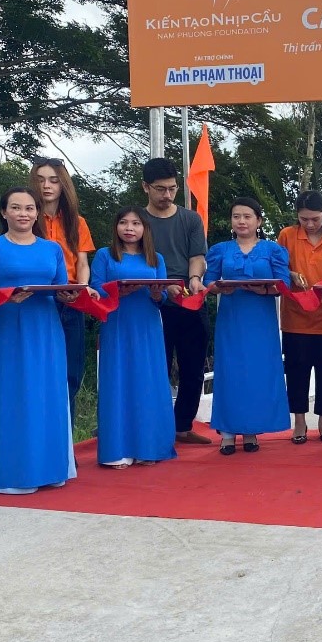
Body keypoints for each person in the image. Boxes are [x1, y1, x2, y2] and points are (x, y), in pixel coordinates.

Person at [0, 186, 79, 494]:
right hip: (11, 326)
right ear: (4, 212)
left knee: (49, 394)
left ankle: (51, 469)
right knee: (16, 394)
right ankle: (16, 473)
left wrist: (71, 293)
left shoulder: (52, 249)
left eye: (30, 208)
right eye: (16, 208)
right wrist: (5, 297)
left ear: (37, 213)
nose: (24, 214)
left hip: (47, 326)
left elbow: (62, 289)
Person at [89, 208, 177, 468]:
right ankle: (117, 450)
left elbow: (162, 296)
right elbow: (95, 291)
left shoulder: (155, 258)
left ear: (145, 229)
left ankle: (149, 446)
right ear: (116, 227)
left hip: (147, 325)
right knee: (117, 380)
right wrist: (120, 293)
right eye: (124, 222)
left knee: (147, 380)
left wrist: (156, 294)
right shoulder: (105, 256)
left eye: (136, 223)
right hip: (117, 323)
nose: (129, 228)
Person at [203, 197, 291, 454]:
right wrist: (218, 288)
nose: (241, 221)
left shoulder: (273, 250)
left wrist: (263, 289)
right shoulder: (220, 249)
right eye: (236, 216)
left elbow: (282, 284)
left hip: (260, 320)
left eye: (247, 216)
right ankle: (228, 434)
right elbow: (209, 282)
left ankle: (252, 431)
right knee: (230, 372)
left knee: (257, 372)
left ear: (259, 221)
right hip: (232, 317)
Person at [141, 157, 210, 445]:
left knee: (193, 366)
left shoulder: (190, 219)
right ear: (146, 187)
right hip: (152, 300)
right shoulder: (137, 221)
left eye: (172, 189)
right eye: (160, 189)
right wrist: (162, 283)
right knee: (156, 366)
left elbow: (197, 257)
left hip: (188, 298)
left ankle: (183, 425)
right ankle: (152, 426)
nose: (166, 195)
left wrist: (194, 279)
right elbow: (132, 259)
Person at [277, 191, 322, 443]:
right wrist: (292, 273)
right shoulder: (286, 235)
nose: (309, 224)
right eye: (304, 219)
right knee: (297, 372)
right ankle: (299, 422)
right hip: (295, 317)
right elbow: (277, 267)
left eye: (315, 219)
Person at [30, 157, 95, 420]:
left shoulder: (76, 222)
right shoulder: (27, 217)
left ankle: (66, 448)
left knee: (71, 372)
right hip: (37, 300)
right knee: (39, 371)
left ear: (63, 185)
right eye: (41, 179)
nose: (47, 186)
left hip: (70, 300)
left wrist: (82, 289)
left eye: (54, 180)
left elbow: (82, 262)